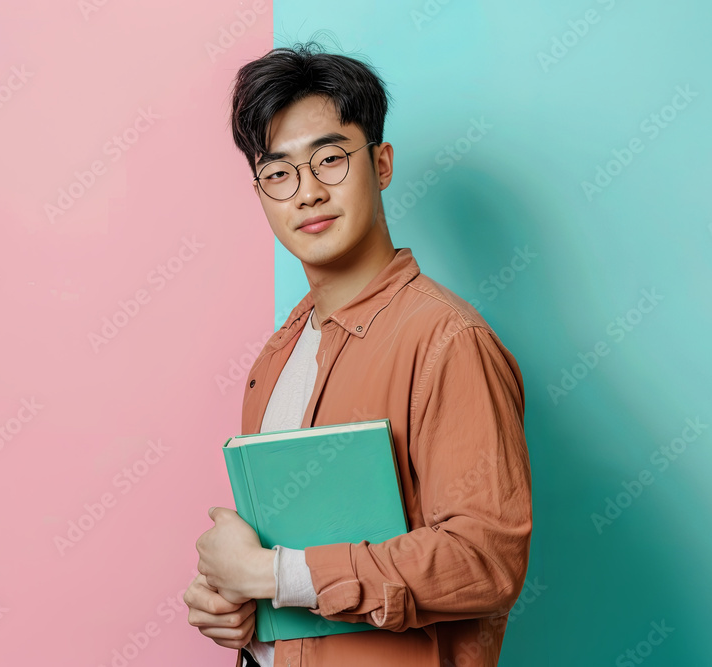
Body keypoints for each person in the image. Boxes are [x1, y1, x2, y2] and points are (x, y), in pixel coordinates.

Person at [183, 41, 532, 667]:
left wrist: (275, 577)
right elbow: (278, 561)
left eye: (331, 160)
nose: (308, 192)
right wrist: (231, 601)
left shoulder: (448, 342)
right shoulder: (279, 355)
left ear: (383, 163)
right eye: (279, 173)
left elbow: (484, 559)